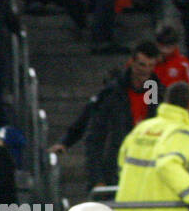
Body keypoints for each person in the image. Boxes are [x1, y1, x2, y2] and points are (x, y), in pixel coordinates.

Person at [49, 43, 161, 192]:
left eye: (150, 66)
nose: (145, 71)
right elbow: (90, 120)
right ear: (132, 62)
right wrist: (66, 141)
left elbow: (155, 117)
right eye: (142, 65)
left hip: (147, 162)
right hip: (116, 162)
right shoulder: (114, 92)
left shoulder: (153, 90)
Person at [113, 81, 189, 211]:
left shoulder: (143, 128)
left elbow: (122, 161)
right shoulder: (182, 133)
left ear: (166, 100)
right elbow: (167, 165)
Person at [153, 22, 189, 122]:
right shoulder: (150, 62)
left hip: (178, 116)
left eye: (168, 47)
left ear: (175, 45)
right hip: (155, 115)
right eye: (162, 46)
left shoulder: (183, 64)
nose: (165, 50)